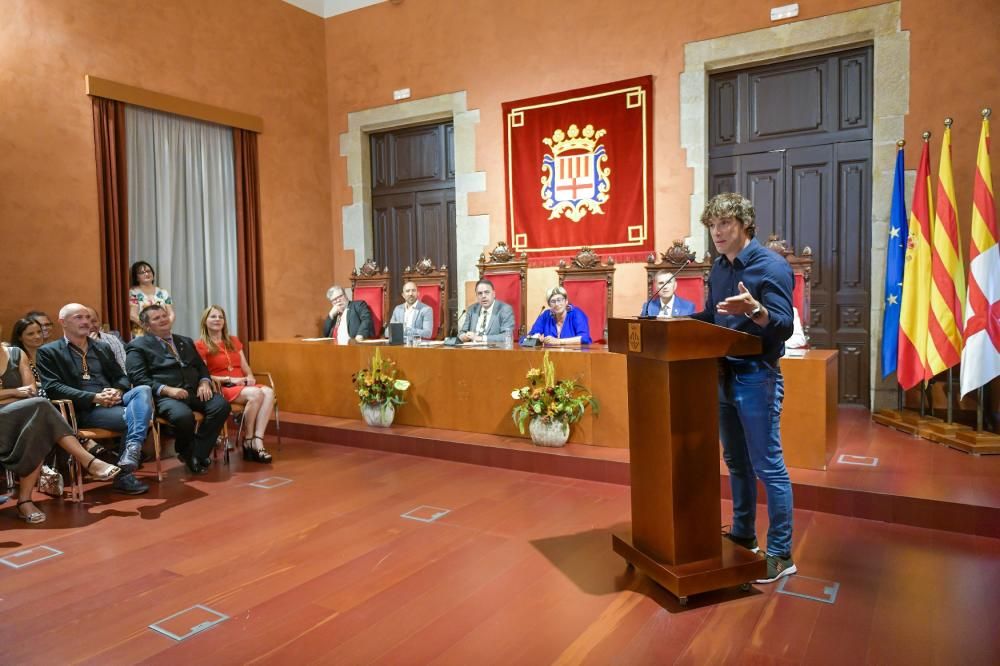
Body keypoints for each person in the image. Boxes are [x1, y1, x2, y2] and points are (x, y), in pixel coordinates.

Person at [690, 192, 796, 584]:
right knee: (735, 461)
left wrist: (754, 309)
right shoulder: (719, 269)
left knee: (769, 465)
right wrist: (672, 323)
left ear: (745, 225)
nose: (716, 232)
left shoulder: (771, 266)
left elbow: (783, 324)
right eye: (712, 225)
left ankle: (781, 553)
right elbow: (713, 316)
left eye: (724, 224)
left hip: (757, 374)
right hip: (722, 374)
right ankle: (744, 534)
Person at [36, 303, 151, 494]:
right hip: (83, 409)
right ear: (63, 322)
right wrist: (94, 398)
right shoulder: (49, 352)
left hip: (114, 401)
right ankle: (125, 475)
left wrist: (118, 390)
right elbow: (53, 388)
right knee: (134, 418)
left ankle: (132, 449)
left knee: (143, 389)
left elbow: (121, 377)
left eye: (88, 317)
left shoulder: (102, 347)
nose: (86, 321)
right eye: (79, 317)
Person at [126, 304, 230, 475]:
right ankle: (190, 452)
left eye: (164, 315)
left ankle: (194, 452)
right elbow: (138, 379)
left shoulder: (184, 341)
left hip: (194, 391)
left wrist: (204, 382)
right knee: (183, 416)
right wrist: (167, 390)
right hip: (165, 397)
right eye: (156, 318)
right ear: (146, 326)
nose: (163, 319)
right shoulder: (137, 346)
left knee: (221, 405)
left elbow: (200, 366)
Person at [1, 397, 121, 524]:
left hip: (18, 409)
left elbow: (31, 389)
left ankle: (25, 501)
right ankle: (90, 461)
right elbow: (22, 392)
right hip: (9, 412)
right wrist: (15, 392)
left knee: (39, 414)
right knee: (39, 409)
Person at [195, 305, 275, 463]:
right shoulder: (200, 345)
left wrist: (250, 376)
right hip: (222, 387)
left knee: (268, 392)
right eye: (213, 317)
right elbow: (203, 374)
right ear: (205, 321)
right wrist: (229, 379)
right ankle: (249, 439)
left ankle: (257, 439)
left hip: (243, 385)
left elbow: (245, 367)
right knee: (256, 393)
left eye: (220, 317)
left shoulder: (233, 340)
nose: (218, 320)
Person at [525, 286, 592, 346]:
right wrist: (537, 339)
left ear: (566, 302)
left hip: (575, 356)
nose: (557, 304)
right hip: (550, 356)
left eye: (559, 300)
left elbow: (584, 338)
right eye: (553, 301)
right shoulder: (546, 316)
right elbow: (526, 340)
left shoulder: (576, 314)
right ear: (549, 305)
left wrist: (558, 341)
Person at [458, 279, 516, 344]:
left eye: (487, 292)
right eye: (480, 293)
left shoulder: (504, 309)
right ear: (476, 296)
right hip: (472, 350)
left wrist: (481, 338)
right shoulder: (472, 309)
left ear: (493, 294)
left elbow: (507, 336)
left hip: (494, 351)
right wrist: (463, 336)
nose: (483, 296)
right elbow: (462, 332)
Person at [128, 261, 174, 337]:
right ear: (136, 277)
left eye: (148, 271)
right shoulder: (133, 293)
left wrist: (165, 327)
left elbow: (171, 314)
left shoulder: (163, 292)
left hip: (163, 333)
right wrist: (149, 328)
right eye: (142, 273)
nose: (146, 274)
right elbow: (132, 315)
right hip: (143, 333)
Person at [9, 317, 47, 396]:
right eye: (31, 334)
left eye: (39, 332)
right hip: (29, 396)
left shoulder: (48, 354)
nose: (37, 336)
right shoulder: (15, 358)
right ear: (19, 337)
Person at [87, 307, 128, 372]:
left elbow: (123, 366)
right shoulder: (74, 342)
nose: (91, 326)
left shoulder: (112, 339)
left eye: (94, 321)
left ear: (99, 321)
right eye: (87, 323)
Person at [0, 340, 37, 405]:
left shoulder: (17, 353)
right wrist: (14, 392)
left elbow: (31, 390)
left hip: (22, 405)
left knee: (41, 402)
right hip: (18, 404)